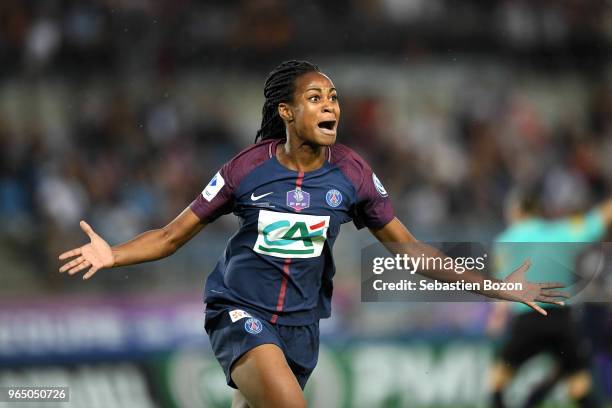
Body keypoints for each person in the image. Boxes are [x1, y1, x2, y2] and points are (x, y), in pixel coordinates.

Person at [59, 60, 566, 408]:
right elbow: (171, 237)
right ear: (287, 111)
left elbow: (411, 251)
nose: (331, 106)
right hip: (240, 313)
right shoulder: (246, 170)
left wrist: (493, 285)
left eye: (334, 97)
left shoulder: (352, 175)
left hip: (302, 330)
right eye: (316, 97)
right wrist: (113, 254)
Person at [487, 184, 612, 408]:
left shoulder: (504, 241)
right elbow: (598, 219)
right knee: (580, 385)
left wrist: (497, 317)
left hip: (527, 321)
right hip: (562, 321)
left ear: (515, 210)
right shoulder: (560, 232)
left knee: (498, 380)